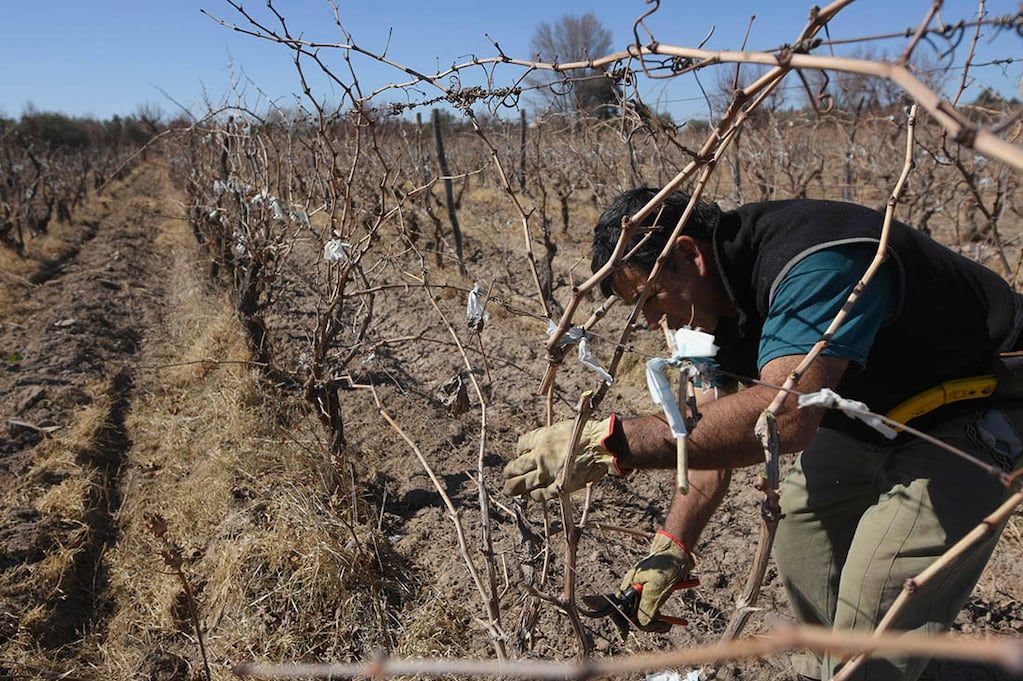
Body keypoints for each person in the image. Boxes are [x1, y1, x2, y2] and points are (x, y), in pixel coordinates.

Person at [503, 188, 1023, 681]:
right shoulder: (705, 307)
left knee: (881, 593)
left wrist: (614, 442)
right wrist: (672, 544)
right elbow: (704, 434)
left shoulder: (814, 264)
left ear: (688, 254)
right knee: (801, 528)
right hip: (875, 410)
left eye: (650, 297)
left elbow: (787, 417)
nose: (651, 320)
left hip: (978, 404)